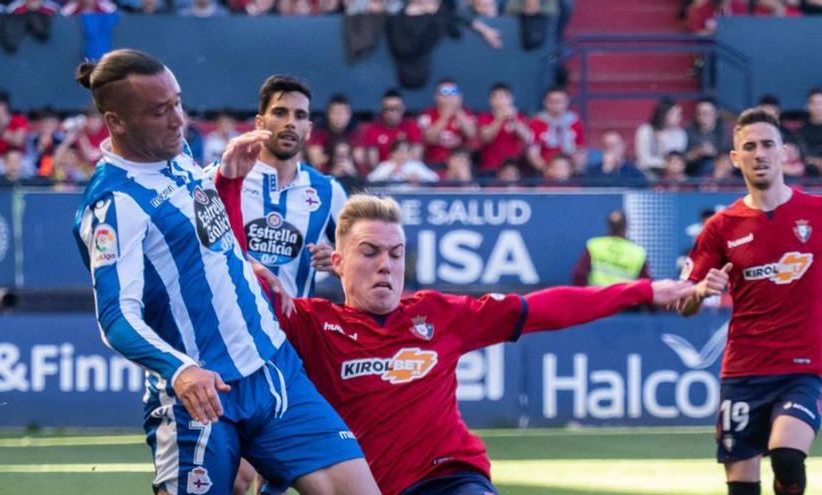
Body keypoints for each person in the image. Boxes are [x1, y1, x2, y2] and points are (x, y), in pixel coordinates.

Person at [216, 180, 694, 495]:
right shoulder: (309, 322)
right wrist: (233, 190)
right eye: (370, 252)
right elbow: (225, 270)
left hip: (449, 478)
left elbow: (547, 307)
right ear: (337, 261)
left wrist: (647, 288)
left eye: (397, 254)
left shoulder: (438, 314)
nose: (387, 264)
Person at [71, 49, 379, 495]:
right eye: (160, 111)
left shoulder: (178, 157)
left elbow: (207, 241)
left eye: (177, 102)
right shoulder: (113, 205)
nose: (179, 119)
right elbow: (116, 317)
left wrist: (231, 192)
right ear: (116, 122)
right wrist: (180, 371)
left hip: (274, 368)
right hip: (202, 399)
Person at [677, 108, 822, 495]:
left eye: (767, 145)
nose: (759, 153)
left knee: (788, 456)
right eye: (750, 146)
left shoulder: (816, 213)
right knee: (743, 489)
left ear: (783, 152)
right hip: (744, 373)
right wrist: (699, 292)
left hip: (802, 369)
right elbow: (682, 303)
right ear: (735, 157)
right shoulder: (721, 226)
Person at [221, 74, 348, 299]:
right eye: (280, 113)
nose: (290, 122)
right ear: (260, 123)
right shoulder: (223, 175)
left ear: (308, 129)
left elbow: (360, 263)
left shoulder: (328, 191)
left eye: (299, 116)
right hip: (229, 328)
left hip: (293, 331)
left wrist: (340, 263)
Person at [572, 209, 652, 287]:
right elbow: (646, 285)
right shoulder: (637, 253)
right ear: (626, 227)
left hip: (598, 298)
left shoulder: (595, 245)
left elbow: (579, 273)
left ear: (609, 226)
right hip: (624, 300)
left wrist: (583, 296)